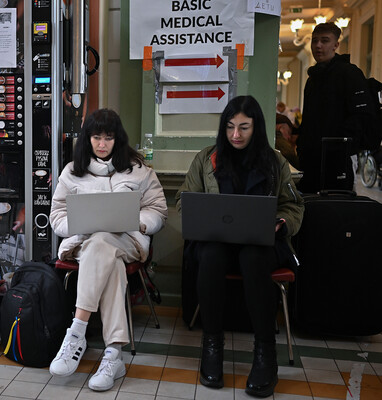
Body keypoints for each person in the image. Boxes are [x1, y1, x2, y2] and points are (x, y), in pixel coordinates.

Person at [175, 96, 304, 398]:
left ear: (256, 127)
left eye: (244, 127)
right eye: (230, 127)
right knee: (211, 255)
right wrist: (199, 215)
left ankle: (265, 353)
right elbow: (184, 199)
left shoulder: (274, 162)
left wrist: (281, 222)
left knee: (253, 257)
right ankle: (212, 346)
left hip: (260, 245)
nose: (235, 134)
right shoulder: (207, 158)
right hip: (216, 243)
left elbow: (294, 206)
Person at [49, 109, 167, 391]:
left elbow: (158, 210)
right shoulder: (72, 172)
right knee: (103, 248)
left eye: (109, 138)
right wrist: (79, 224)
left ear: (118, 139)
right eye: (96, 137)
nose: (102, 144)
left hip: (128, 240)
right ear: (87, 138)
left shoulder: (139, 170)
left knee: (103, 242)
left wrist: (138, 222)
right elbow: (57, 216)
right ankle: (114, 354)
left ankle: (77, 331)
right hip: (84, 243)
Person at [296, 22, 377, 193]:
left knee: (337, 203)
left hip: (339, 158)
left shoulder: (349, 73)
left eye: (325, 40)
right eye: (315, 40)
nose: (318, 45)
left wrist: (340, 146)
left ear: (336, 45)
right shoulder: (313, 79)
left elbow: (360, 116)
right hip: (312, 158)